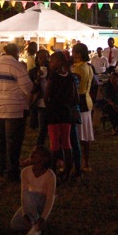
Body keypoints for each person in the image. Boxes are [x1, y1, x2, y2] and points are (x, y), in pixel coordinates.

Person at [0, 43, 33, 183]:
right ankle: (11, 171)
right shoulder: (16, 66)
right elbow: (27, 88)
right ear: (16, 52)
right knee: (13, 141)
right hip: (14, 107)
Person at [44, 51, 80, 182]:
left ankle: (53, 172)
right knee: (66, 142)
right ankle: (67, 171)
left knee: (54, 143)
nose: (50, 63)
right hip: (66, 112)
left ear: (59, 61)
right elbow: (75, 97)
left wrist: (49, 106)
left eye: (52, 60)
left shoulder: (53, 77)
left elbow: (46, 95)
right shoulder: (70, 77)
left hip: (54, 112)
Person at [10, 145, 56, 235]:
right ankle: (35, 225)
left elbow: (50, 199)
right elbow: (23, 193)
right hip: (29, 203)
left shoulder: (50, 175)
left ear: (44, 158)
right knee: (14, 224)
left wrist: (43, 218)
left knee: (29, 196)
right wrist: (24, 214)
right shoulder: (25, 172)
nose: (32, 154)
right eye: (32, 151)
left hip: (41, 203)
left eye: (36, 153)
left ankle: (37, 226)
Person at [71, 43, 95, 176]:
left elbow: (74, 86)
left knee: (79, 136)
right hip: (87, 99)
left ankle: (79, 163)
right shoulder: (88, 66)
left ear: (78, 54)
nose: (72, 55)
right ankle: (85, 163)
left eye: (74, 52)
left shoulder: (79, 68)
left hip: (80, 101)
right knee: (85, 135)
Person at [28, 49, 51, 147]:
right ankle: (38, 147)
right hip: (40, 102)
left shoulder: (52, 71)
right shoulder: (33, 72)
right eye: (41, 58)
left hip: (51, 101)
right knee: (42, 127)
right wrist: (37, 79)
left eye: (46, 58)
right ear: (37, 59)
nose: (43, 60)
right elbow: (31, 89)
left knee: (49, 127)